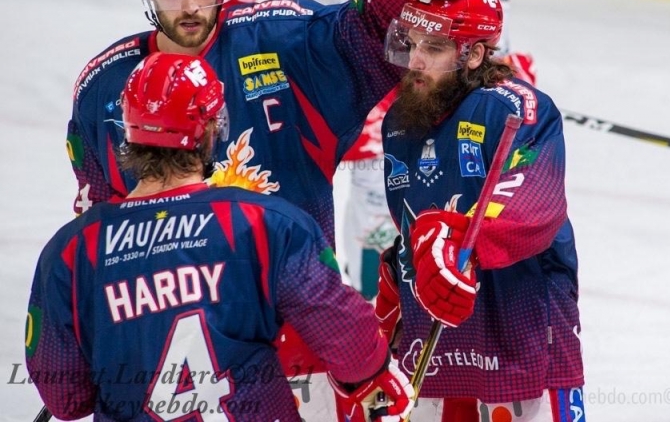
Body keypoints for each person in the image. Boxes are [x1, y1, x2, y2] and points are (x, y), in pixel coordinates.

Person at [65, 0, 472, 420]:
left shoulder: (281, 41)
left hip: (301, 336)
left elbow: (369, 32)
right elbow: (100, 236)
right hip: (161, 351)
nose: (189, 6)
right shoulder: (103, 90)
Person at [27, 53, 413, 422]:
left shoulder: (70, 250)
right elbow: (349, 343)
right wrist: (376, 374)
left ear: (129, 132)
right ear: (212, 129)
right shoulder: (267, 222)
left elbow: (65, 398)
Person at [227, 0, 536, 297]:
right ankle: (271, 288)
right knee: (288, 162)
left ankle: (368, 305)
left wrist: (496, 54)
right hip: (329, 45)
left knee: (385, 177)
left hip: (416, 51)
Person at [373, 0, 585, 421]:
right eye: (411, 43)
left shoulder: (516, 108)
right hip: (435, 331)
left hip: (519, 328)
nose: (415, 60)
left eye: (433, 47)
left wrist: (452, 241)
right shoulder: (401, 119)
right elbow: (412, 214)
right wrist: (402, 265)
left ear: (472, 56)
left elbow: (533, 200)